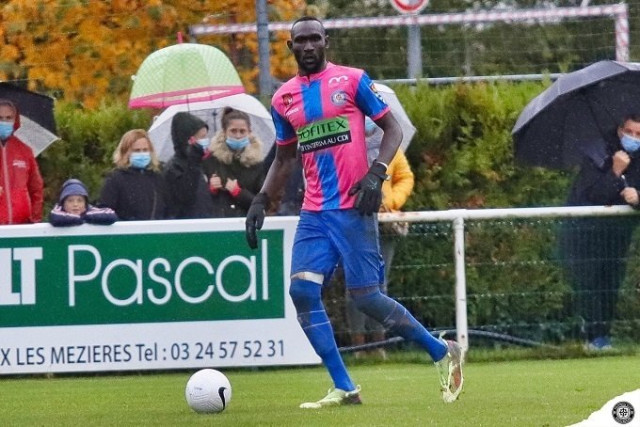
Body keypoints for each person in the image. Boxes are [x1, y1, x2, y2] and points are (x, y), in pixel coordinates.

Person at [245, 16, 463, 408]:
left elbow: (393, 129)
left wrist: (376, 175)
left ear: (325, 41)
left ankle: (441, 350)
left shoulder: (352, 80)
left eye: (315, 39)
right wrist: (261, 200)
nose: (308, 46)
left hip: (353, 208)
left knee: (366, 298)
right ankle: (344, 385)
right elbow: (284, 158)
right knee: (301, 291)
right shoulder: (283, 99)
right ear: (291, 47)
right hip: (314, 213)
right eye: (300, 41)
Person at [559, 114, 640, 351]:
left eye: (638, 134)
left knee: (610, 284)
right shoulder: (597, 153)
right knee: (590, 284)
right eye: (629, 132)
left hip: (618, 235)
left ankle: (602, 336)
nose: (633, 138)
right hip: (586, 232)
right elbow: (593, 195)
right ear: (620, 130)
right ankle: (591, 336)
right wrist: (615, 172)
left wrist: (637, 197)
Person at [346, 117, 415, 359]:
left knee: (380, 284)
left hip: (384, 223)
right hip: (353, 220)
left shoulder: (390, 145)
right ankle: (358, 346)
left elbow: (405, 177)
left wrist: (391, 201)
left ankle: (379, 345)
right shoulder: (345, 144)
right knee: (354, 286)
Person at [202, 107, 265, 217]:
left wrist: (239, 193)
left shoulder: (257, 163)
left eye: (242, 131)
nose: (238, 136)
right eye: (233, 131)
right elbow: (200, 200)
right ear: (224, 132)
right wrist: (211, 189)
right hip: (218, 221)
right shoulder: (211, 159)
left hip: (246, 220)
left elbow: (262, 203)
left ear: (249, 132)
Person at [99, 129, 170, 220]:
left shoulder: (157, 177)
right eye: (137, 150)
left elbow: (168, 209)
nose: (142, 154)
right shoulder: (115, 179)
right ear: (125, 153)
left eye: (145, 150)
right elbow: (106, 210)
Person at [0, 99, 44, 224]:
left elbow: (36, 189)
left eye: (8, 118)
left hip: (22, 224)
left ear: (15, 120)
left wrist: (34, 219)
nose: (4, 122)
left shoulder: (25, 150)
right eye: (0, 118)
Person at [163, 112, 214, 219]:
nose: (206, 140)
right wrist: (194, 160)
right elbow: (185, 197)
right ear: (189, 140)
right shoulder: (173, 169)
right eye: (202, 137)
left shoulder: (201, 163)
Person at [49, 178, 117, 226]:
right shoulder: (58, 209)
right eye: (70, 201)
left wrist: (85, 217)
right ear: (63, 203)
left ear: (85, 203)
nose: (75, 204)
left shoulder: (89, 209)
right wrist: (79, 219)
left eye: (80, 201)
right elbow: (55, 217)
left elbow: (111, 214)